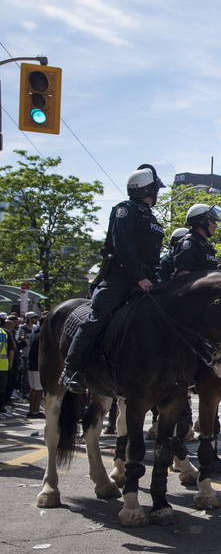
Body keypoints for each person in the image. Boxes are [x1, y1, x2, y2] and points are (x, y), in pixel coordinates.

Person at [61, 164, 166, 392]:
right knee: (96, 318)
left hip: (150, 278)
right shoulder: (125, 210)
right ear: (148, 190)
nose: (157, 193)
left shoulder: (150, 217)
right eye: (155, 189)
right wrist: (139, 277)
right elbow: (123, 247)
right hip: (120, 277)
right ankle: (72, 369)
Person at [174, 204, 221, 275]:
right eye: (213, 221)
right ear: (202, 221)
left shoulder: (206, 246)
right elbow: (183, 276)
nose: (216, 225)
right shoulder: (189, 243)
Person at [24, 314, 43, 419]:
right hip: (37, 366)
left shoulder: (33, 333)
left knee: (33, 389)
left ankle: (32, 410)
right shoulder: (41, 335)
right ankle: (35, 411)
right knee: (38, 390)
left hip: (31, 364)